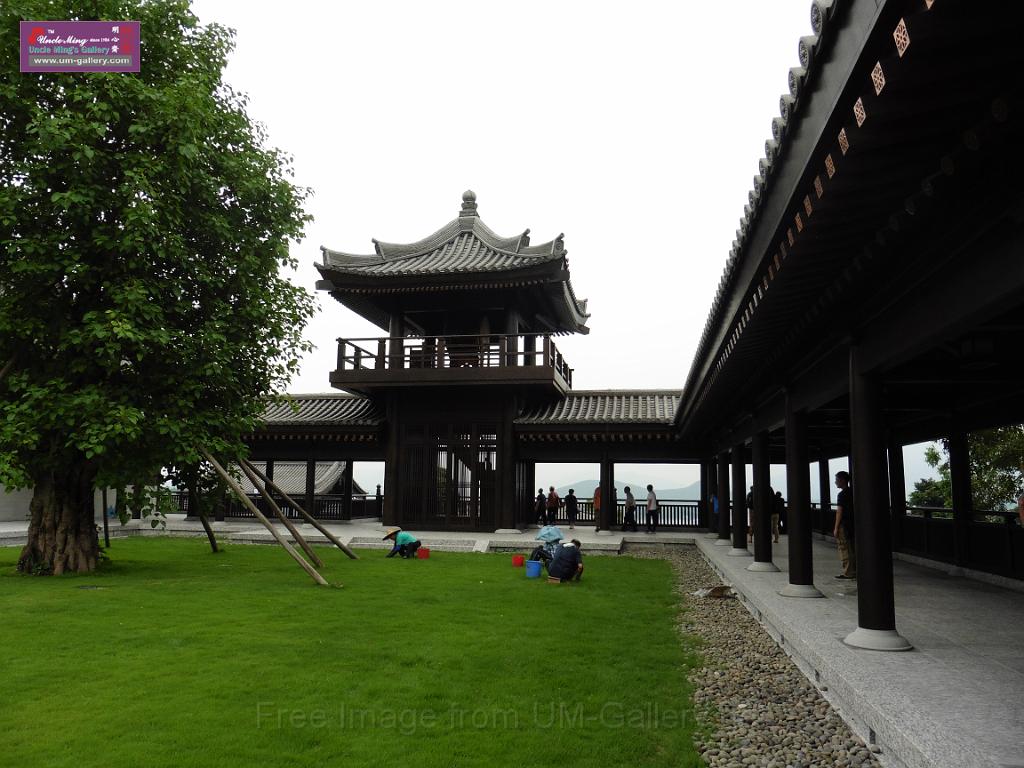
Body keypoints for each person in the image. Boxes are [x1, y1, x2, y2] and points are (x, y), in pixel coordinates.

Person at [833, 471, 856, 579]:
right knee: (852, 547)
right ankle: (853, 570)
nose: (835, 482)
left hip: (844, 524)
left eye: (837, 480)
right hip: (853, 524)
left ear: (842, 480)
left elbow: (839, 511)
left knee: (844, 548)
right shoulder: (853, 492)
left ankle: (848, 572)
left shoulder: (842, 494)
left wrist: (836, 527)